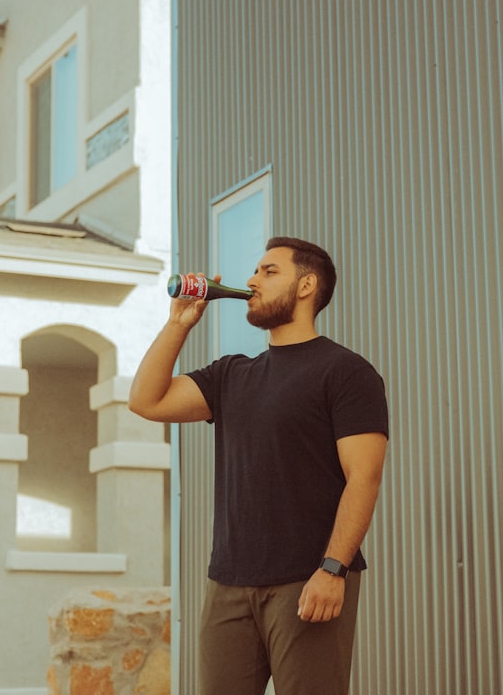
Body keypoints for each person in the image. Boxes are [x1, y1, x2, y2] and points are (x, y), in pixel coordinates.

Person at [129, 237, 389, 695]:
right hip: (228, 583)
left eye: (269, 271)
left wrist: (333, 570)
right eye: (255, 271)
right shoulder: (232, 374)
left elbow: (363, 477)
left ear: (306, 285)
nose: (252, 281)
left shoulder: (347, 372)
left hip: (307, 581)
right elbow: (147, 401)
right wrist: (179, 324)